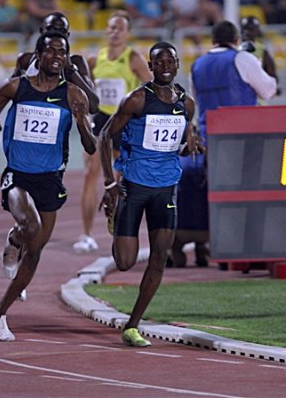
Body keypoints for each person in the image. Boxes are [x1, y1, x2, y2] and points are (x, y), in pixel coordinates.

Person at [0, 31, 96, 341]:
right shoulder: (18, 87)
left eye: (62, 53)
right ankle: (15, 238)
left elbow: (92, 148)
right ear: (38, 55)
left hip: (50, 179)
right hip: (18, 175)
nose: (57, 57)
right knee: (31, 225)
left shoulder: (73, 95)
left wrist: (81, 124)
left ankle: (0, 312)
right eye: (51, 51)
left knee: (36, 250)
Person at [99, 42, 201, 347]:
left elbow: (184, 138)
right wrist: (109, 183)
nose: (166, 66)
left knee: (160, 256)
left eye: (171, 60)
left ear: (177, 65)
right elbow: (105, 134)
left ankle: (132, 325)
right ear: (151, 66)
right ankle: (116, 221)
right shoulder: (138, 100)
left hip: (166, 187)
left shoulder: (187, 104)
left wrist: (189, 145)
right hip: (134, 185)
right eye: (159, 62)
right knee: (125, 263)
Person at [168, 20, 277, 268]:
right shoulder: (243, 59)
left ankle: (209, 244)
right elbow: (269, 90)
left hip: (208, 138)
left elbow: (195, 102)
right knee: (247, 196)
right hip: (243, 137)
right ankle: (242, 251)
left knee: (213, 192)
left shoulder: (198, 64)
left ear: (213, 41)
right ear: (236, 39)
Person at [72, 10, 151, 253]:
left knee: (121, 182)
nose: (114, 32)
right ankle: (86, 234)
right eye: (111, 27)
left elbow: (151, 87)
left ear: (127, 33)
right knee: (90, 175)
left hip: (123, 122)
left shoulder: (133, 58)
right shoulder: (96, 59)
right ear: (107, 30)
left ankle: (121, 232)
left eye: (119, 28)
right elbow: (82, 86)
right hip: (101, 121)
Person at [0, 12, 99, 132]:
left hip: (56, 134)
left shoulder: (77, 62)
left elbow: (93, 106)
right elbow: (7, 91)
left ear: (67, 35)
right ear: (42, 31)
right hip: (25, 130)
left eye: (61, 31)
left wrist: (70, 69)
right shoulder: (25, 60)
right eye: (51, 29)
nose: (56, 34)